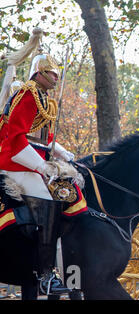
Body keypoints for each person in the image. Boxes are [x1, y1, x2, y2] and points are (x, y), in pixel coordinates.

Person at [0, 51, 87, 295]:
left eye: (57, 74)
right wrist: (42, 168)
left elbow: (42, 139)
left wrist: (65, 154)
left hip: (33, 160)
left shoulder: (41, 96)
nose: (56, 77)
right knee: (50, 201)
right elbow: (17, 141)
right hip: (17, 163)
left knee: (70, 192)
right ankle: (45, 274)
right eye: (51, 73)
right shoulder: (28, 94)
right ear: (39, 73)